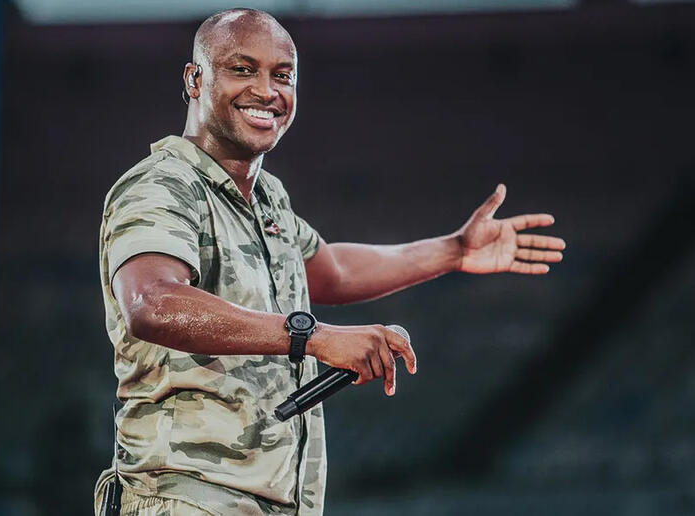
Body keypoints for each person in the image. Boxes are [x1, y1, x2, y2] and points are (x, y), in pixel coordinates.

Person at [93, 8, 566, 516]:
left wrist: (452, 250)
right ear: (195, 79)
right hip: (185, 496)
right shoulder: (162, 185)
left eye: (283, 75)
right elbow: (152, 303)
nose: (267, 90)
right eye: (242, 69)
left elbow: (331, 271)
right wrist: (314, 337)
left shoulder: (266, 196)